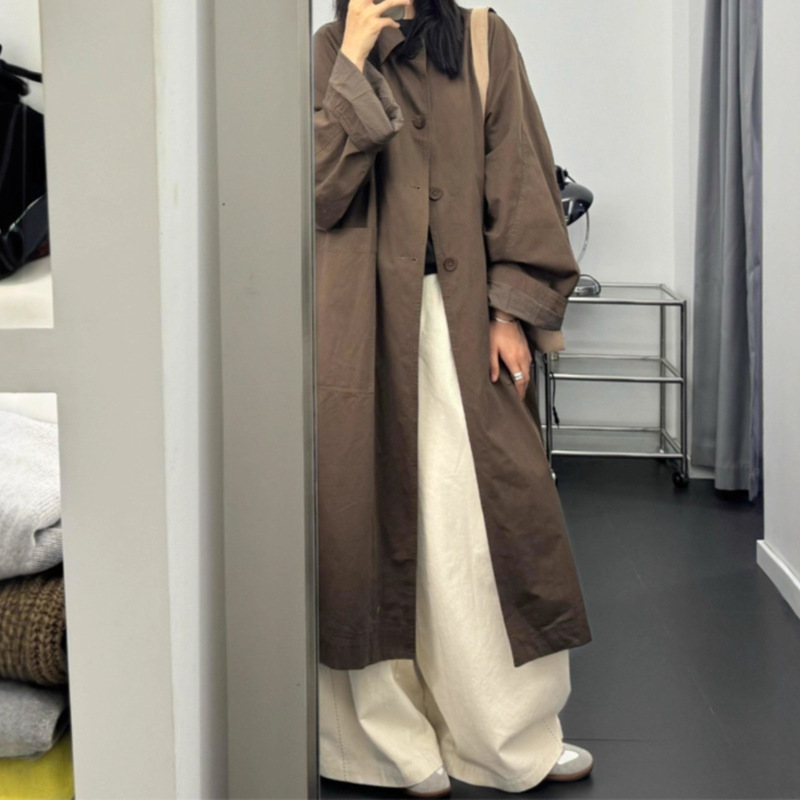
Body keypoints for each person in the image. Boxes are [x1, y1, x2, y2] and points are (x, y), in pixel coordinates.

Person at [313, 0, 594, 795]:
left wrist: (511, 311)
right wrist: (353, 60)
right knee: (365, 528)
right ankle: (389, 747)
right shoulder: (328, 49)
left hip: (460, 322)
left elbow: (521, 173)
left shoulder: (481, 38)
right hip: (360, 329)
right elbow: (318, 193)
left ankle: (508, 736)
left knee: (479, 530)